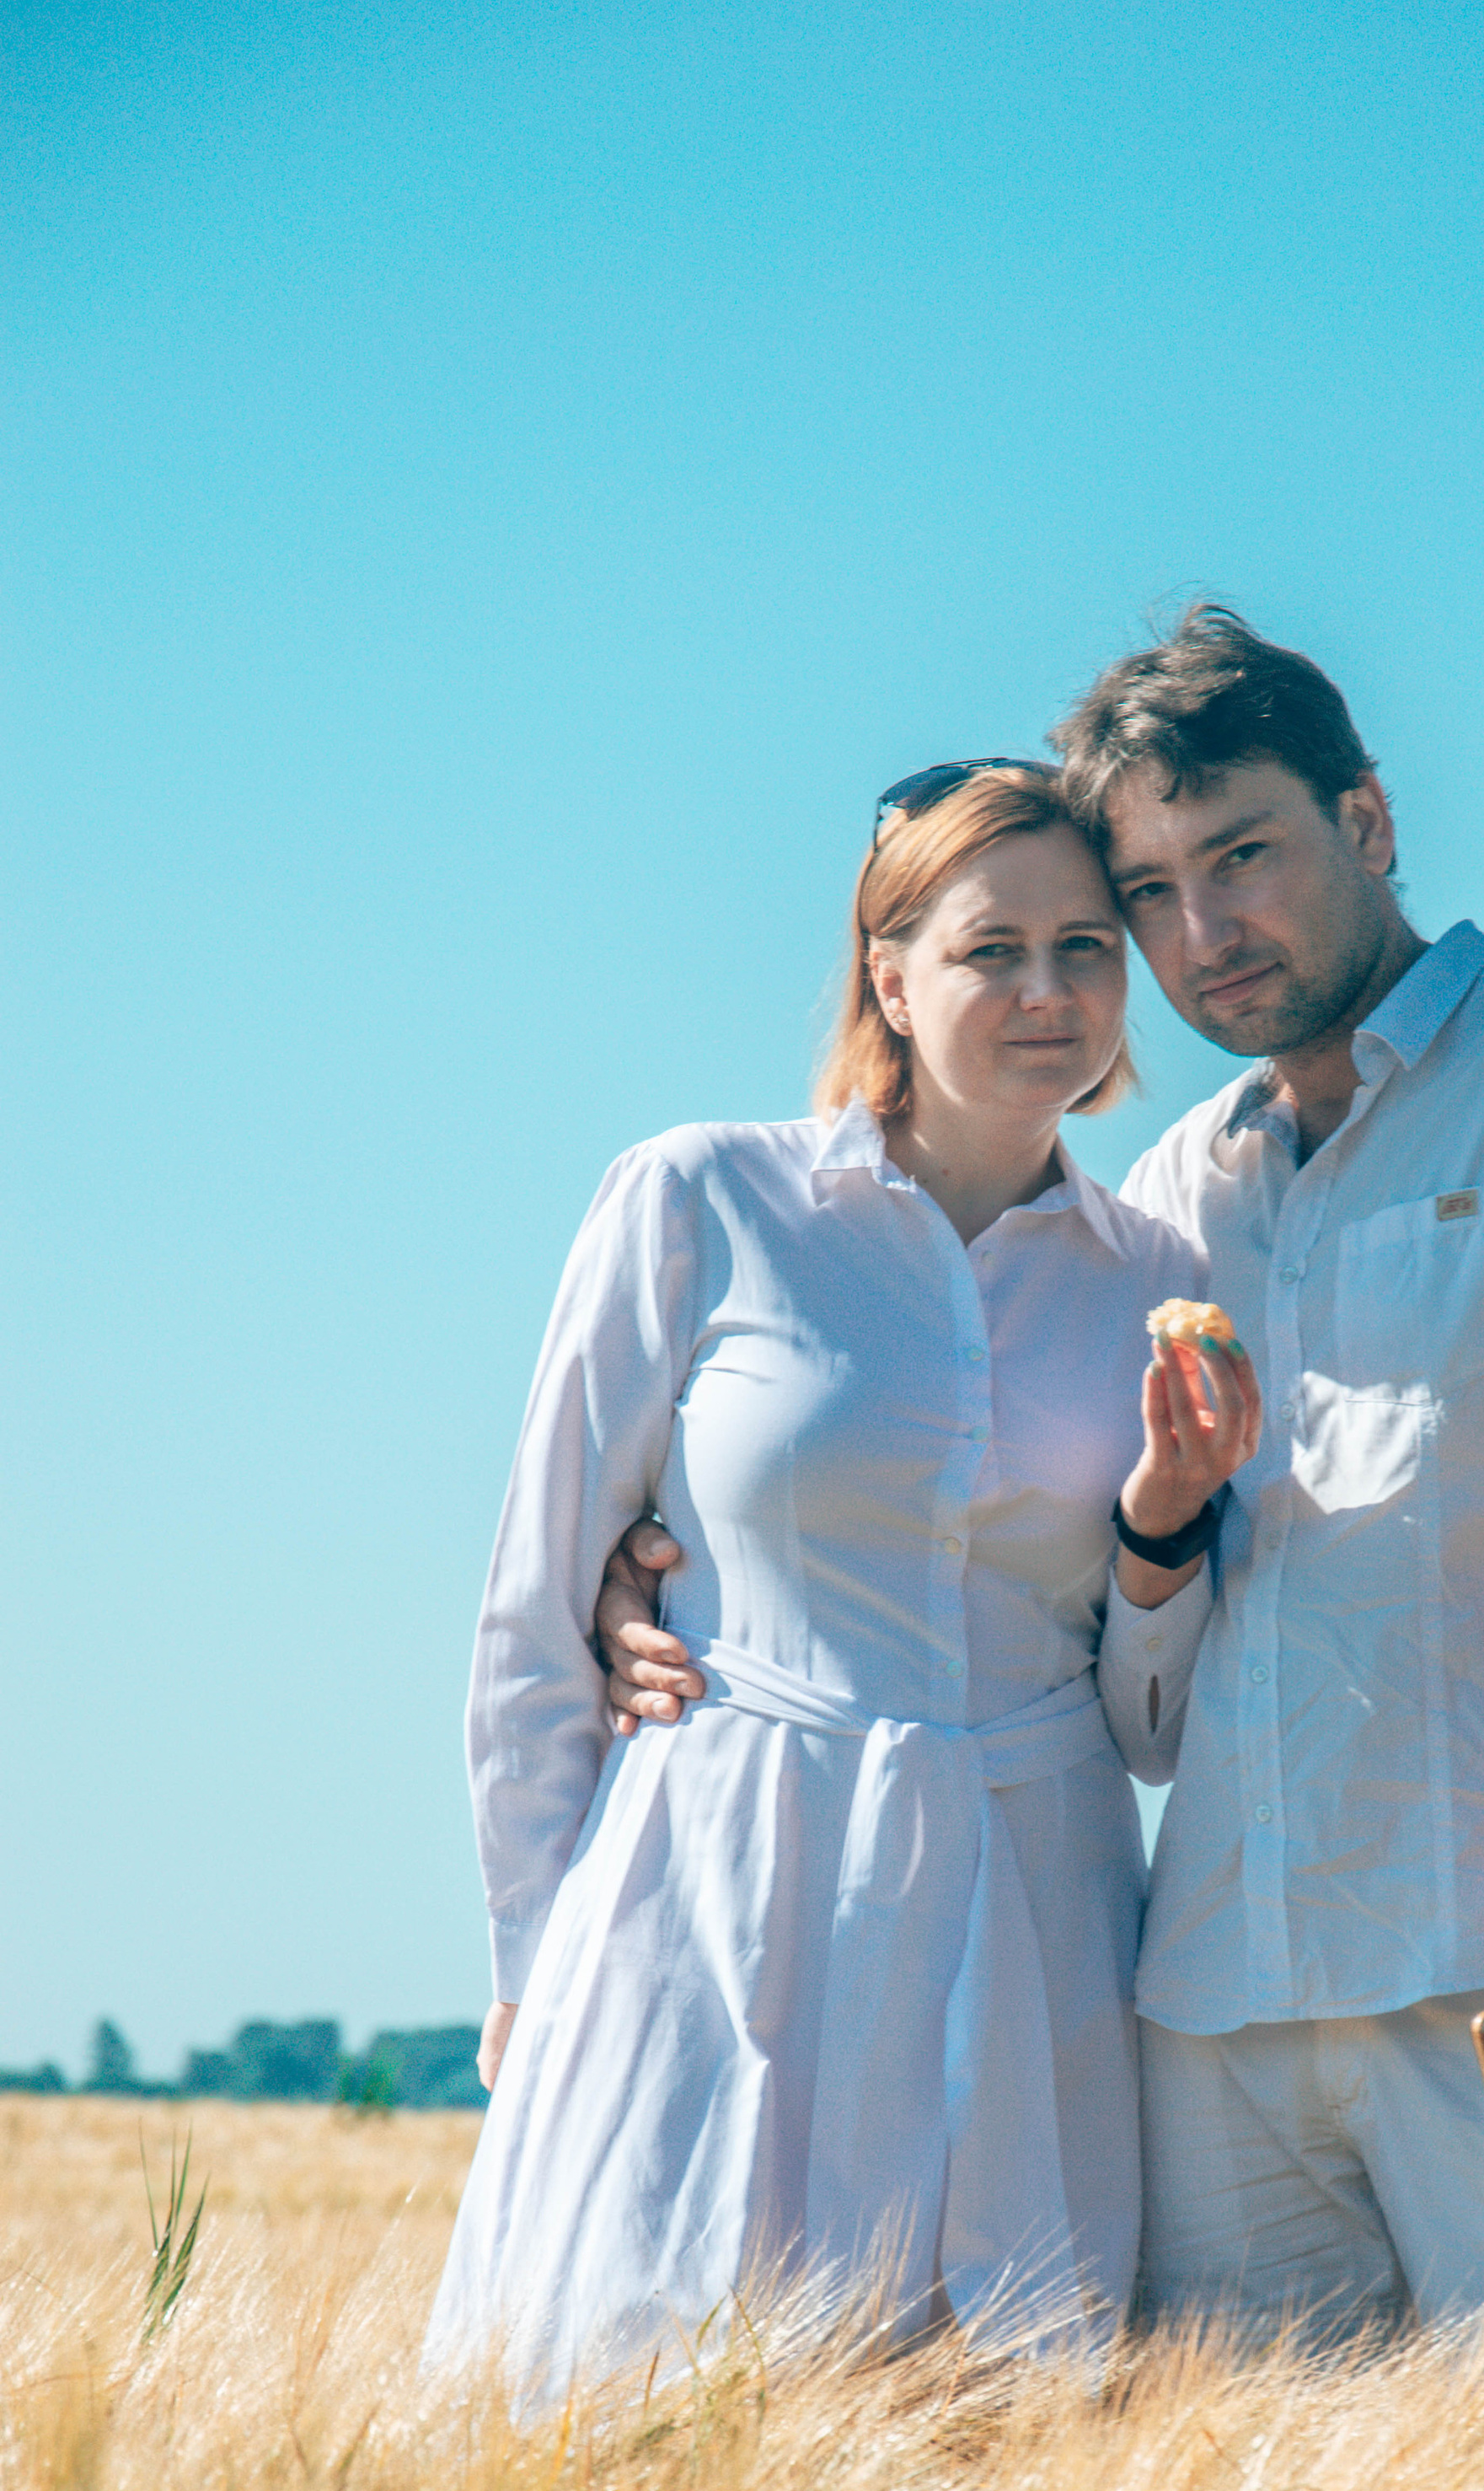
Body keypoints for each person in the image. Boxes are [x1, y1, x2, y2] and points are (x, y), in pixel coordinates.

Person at [601, 615, 1484, 2477]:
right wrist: (663, 1564)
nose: (1199, 927)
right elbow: (1072, 1601)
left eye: (1240, 852)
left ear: (1367, 818)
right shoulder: (1163, 1199)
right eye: (1146, 887)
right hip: (1209, 1991)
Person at [428, 762, 1256, 2402]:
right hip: (716, 1886)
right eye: (989, 949)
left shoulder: (1162, 1276)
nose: (1046, 992)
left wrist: (1163, 1523)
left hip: (1033, 1903)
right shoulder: (696, 1200)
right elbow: (535, 1612)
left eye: (1086, 947)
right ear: (887, 970)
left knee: (992, 2445)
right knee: (636, 2416)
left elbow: (1157, 1725)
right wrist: (531, 1957)